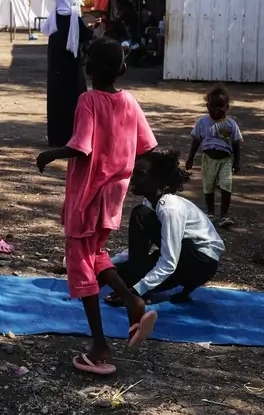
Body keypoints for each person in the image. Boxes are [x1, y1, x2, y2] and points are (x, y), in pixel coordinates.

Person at [36, 37, 158, 376]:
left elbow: (82, 146)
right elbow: (146, 146)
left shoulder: (87, 100)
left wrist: (51, 154)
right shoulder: (130, 101)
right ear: (122, 68)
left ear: (88, 68)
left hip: (87, 195)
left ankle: (99, 345)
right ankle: (133, 300)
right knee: (95, 253)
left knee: (79, 261)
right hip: (114, 195)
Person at [109, 151, 224, 307]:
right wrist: (108, 265)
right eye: (133, 173)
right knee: (117, 275)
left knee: (139, 214)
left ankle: (143, 293)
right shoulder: (149, 203)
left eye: (140, 175)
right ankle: (140, 285)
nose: (132, 179)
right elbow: (137, 251)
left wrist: (134, 292)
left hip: (200, 261)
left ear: (159, 180)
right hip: (183, 255)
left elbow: (169, 262)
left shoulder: (170, 208)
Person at [43, 0, 95, 147]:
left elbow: (47, 32)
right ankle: (75, 136)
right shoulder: (73, 15)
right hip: (72, 66)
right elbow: (85, 36)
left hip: (56, 67)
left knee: (57, 101)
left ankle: (57, 138)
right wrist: (92, 27)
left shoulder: (53, 16)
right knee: (75, 100)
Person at [185, 85, 242, 227]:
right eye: (213, 106)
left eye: (220, 106)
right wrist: (190, 157)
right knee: (208, 187)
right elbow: (196, 140)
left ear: (227, 107)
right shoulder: (202, 122)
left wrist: (237, 161)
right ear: (207, 106)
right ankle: (210, 213)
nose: (217, 109)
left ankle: (224, 216)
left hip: (225, 160)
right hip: (208, 160)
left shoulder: (231, 124)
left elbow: (236, 143)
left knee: (226, 186)